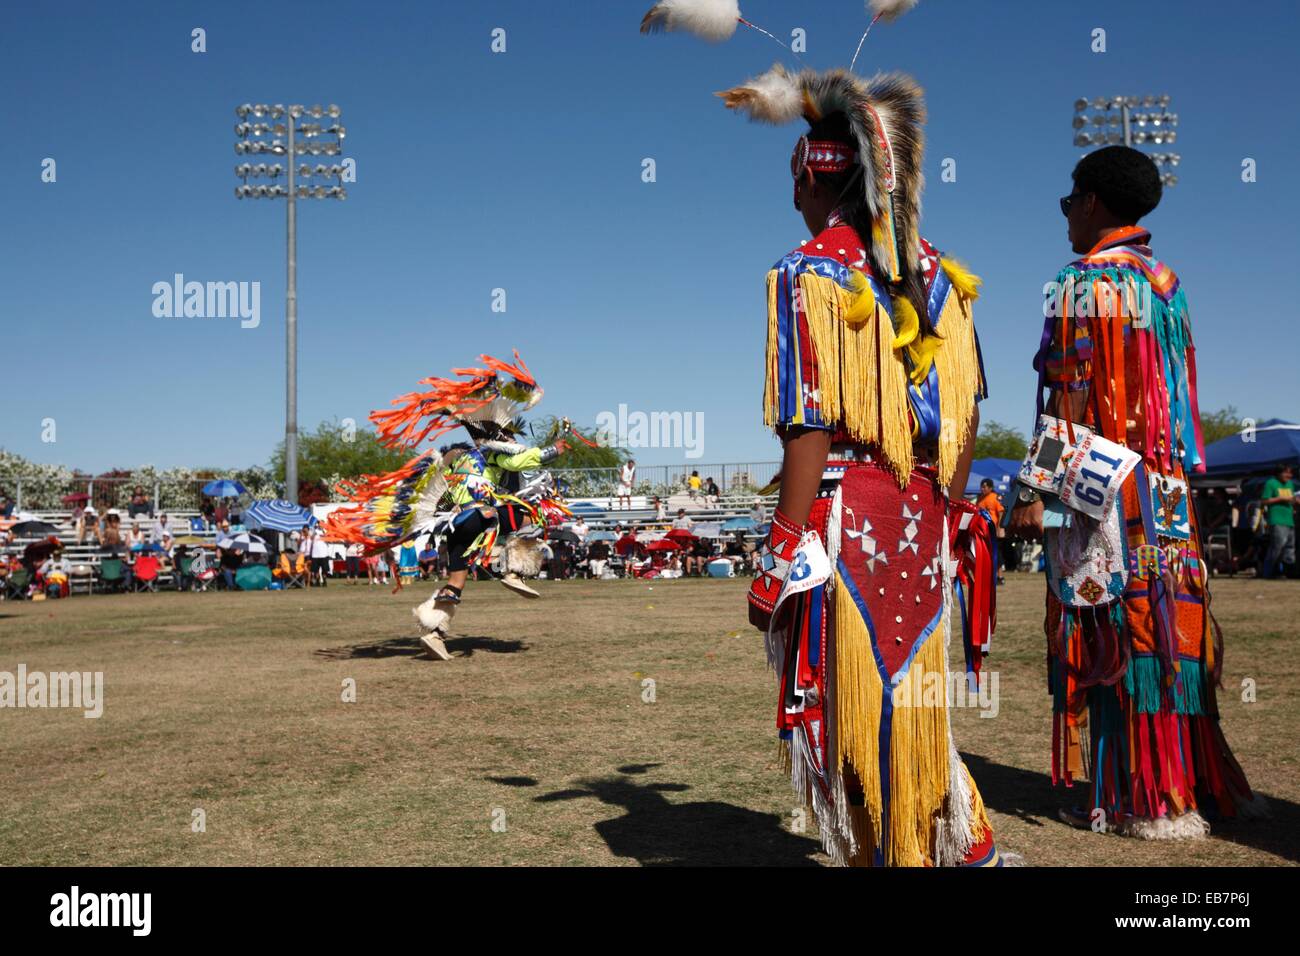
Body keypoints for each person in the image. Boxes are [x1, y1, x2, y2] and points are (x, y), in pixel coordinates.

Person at [643, 0, 1007, 866]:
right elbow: (966, 414)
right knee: (913, 699)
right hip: (921, 520)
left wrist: (779, 551)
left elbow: (807, 427)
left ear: (811, 180)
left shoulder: (804, 274)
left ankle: (895, 849)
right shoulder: (936, 276)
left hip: (842, 526)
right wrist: (945, 515)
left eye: (794, 179)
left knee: (845, 706)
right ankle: (948, 837)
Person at [1008, 145, 1258, 838]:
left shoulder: (1079, 283)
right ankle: (1192, 781)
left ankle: (1139, 799)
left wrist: (1035, 487)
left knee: (1111, 626)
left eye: (1068, 204)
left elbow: (1068, 396)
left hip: (1105, 491)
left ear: (1092, 203)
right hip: (1168, 494)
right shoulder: (1167, 283)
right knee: (1169, 631)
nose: (1065, 220)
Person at [325, 354, 575, 661]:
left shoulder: (459, 456)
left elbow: (447, 486)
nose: (511, 436)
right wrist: (553, 449)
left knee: (456, 583)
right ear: (498, 434)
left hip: (455, 529)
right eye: (508, 432)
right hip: (477, 518)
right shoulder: (494, 453)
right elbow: (522, 459)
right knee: (527, 510)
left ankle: (434, 633)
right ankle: (513, 569)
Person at [1259, 463, 1296, 579]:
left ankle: (1288, 572)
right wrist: (1280, 498)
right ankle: (1270, 573)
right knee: (1277, 547)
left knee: (1289, 548)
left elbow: (1291, 500)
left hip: (1289, 520)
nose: (1289, 475)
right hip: (1276, 519)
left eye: (1290, 473)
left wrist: (1295, 501)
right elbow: (1264, 501)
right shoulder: (1271, 483)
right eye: (1286, 472)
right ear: (1279, 473)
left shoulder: (1290, 484)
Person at [975, 479, 1006, 584]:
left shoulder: (994, 498)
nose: (982, 489)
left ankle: (1000, 576)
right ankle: (988, 576)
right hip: (983, 531)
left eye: (985, 487)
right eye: (981, 486)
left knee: (997, 554)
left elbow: (1001, 512)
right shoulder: (980, 499)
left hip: (993, 531)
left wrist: (999, 528)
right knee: (984, 554)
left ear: (990, 488)